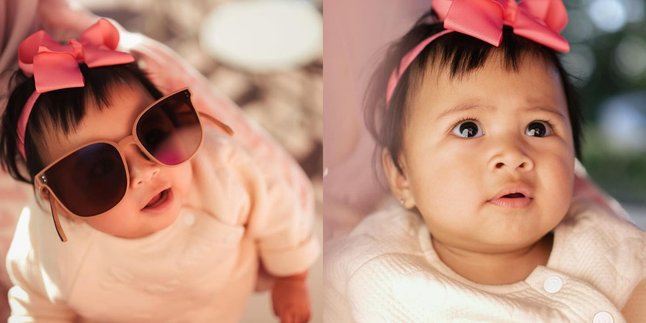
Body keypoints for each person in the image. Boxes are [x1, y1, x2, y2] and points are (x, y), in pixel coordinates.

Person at [324, 1, 645, 322]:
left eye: (538, 128)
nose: (512, 155)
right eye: (469, 129)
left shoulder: (603, 241)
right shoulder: (369, 268)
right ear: (400, 175)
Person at [0, 18, 318, 322]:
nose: (144, 172)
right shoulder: (50, 248)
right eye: (98, 171)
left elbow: (277, 206)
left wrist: (291, 275)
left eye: (152, 134)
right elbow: (37, 307)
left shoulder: (221, 167)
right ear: (60, 203)